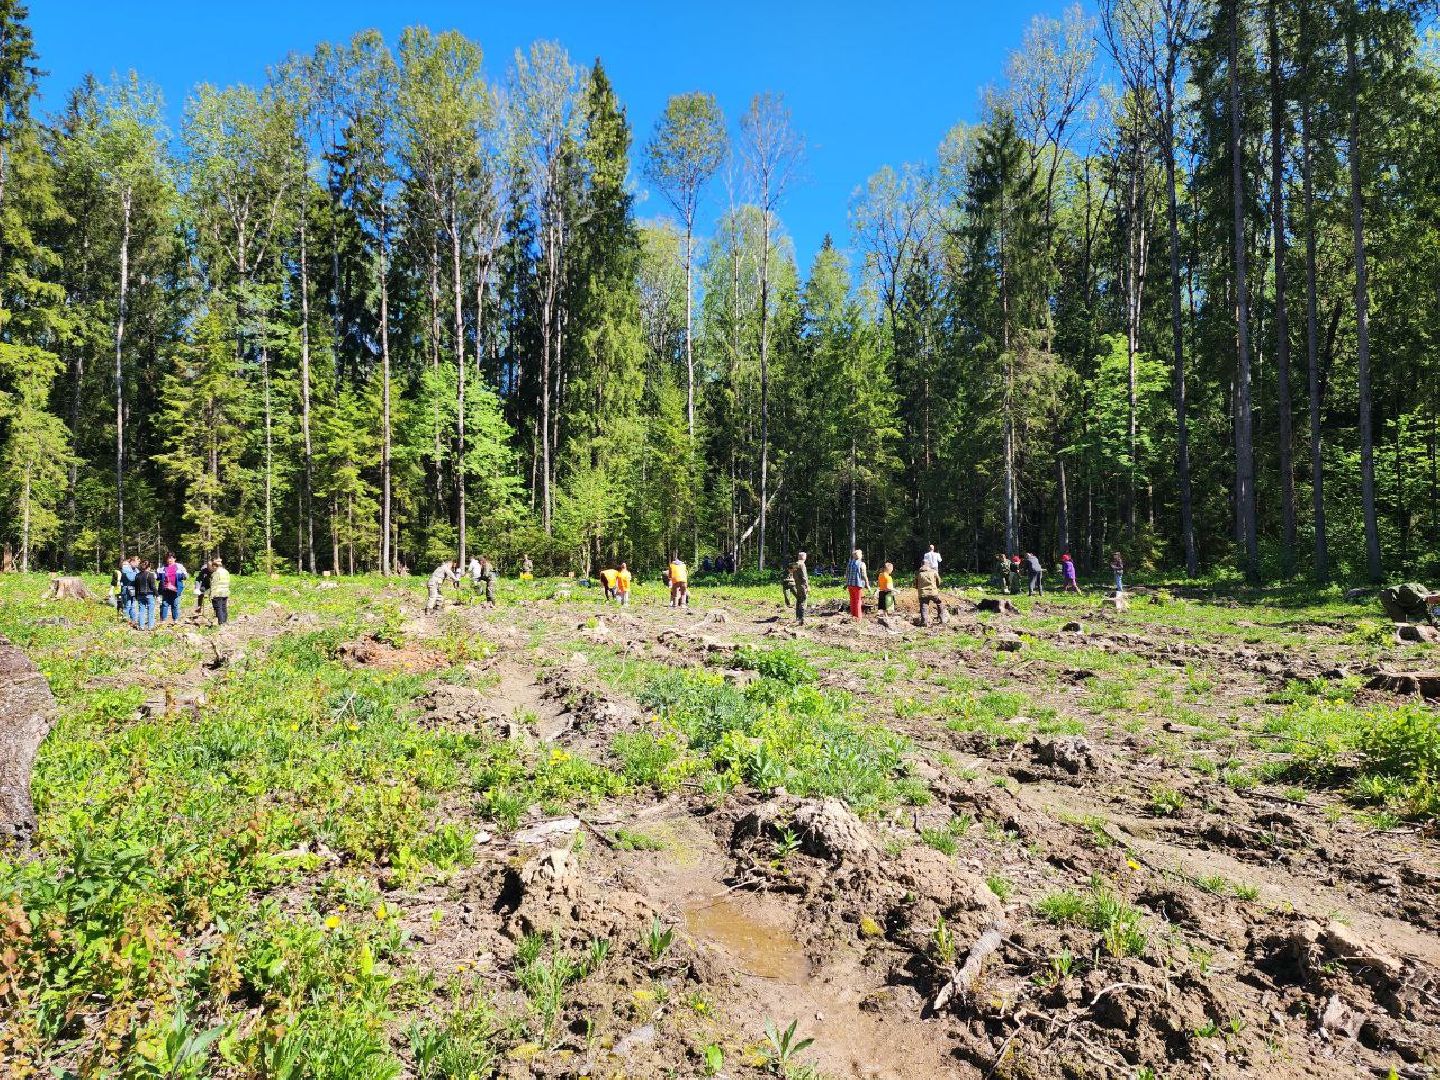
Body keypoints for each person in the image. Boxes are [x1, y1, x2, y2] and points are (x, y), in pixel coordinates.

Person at [158, 553, 188, 623]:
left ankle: (175, 620)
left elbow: (185, 576)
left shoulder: (179, 567)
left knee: (175, 604)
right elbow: (158, 577)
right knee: (165, 604)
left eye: (171, 558)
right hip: (165, 589)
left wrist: (183, 576)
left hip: (176, 589)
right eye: (168, 558)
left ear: (175, 559)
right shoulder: (162, 568)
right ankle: (163, 620)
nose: (169, 560)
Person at [916, 561, 946, 626]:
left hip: (923, 593)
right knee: (939, 603)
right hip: (933, 592)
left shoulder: (919, 573)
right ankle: (942, 619)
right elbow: (939, 582)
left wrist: (919, 588)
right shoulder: (934, 572)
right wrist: (936, 587)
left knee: (924, 606)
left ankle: (924, 622)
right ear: (929, 565)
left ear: (921, 565)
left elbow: (915, 584)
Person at [133, 559, 158, 630]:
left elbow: (136, 587)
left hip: (140, 595)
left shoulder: (137, 575)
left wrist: (136, 596)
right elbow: (153, 586)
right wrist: (157, 595)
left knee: (141, 611)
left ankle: (141, 626)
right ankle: (150, 627)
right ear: (149, 566)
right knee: (151, 611)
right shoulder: (150, 574)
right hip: (149, 594)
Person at [846, 548, 869, 620]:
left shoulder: (849, 563)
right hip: (857, 585)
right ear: (860, 556)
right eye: (861, 554)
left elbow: (847, 574)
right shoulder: (862, 564)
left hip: (850, 585)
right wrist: (867, 584)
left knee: (852, 600)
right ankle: (858, 617)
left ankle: (853, 615)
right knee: (858, 600)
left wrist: (846, 583)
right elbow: (864, 575)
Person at [209, 558, 231, 626]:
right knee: (224, 607)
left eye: (212, 567)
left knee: (218, 608)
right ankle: (224, 621)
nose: (212, 568)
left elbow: (214, 585)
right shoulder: (226, 572)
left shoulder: (216, 573)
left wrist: (211, 595)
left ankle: (221, 622)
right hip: (225, 592)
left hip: (217, 593)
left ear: (215, 566)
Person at [790, 551, 809, 625]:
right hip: (802, 585)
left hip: (797, 584)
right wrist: (807, 586)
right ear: (804, 557)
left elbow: (792, 574)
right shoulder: (802, 564)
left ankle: (797, 617)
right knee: (803, 600)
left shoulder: (795, 564)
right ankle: (801, 618)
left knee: (798, 600)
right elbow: (804, 577)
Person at [120, 555, 139, 624]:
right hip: (126, 589)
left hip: (133, 589)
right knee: (127, 605)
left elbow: (138, 576)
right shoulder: (126, 568)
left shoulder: (135, 569)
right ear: (132, 561)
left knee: (133, 605)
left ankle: (133, 620)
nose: (138, 564)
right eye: (137, 562)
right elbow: (131, 578)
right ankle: (125, 620)